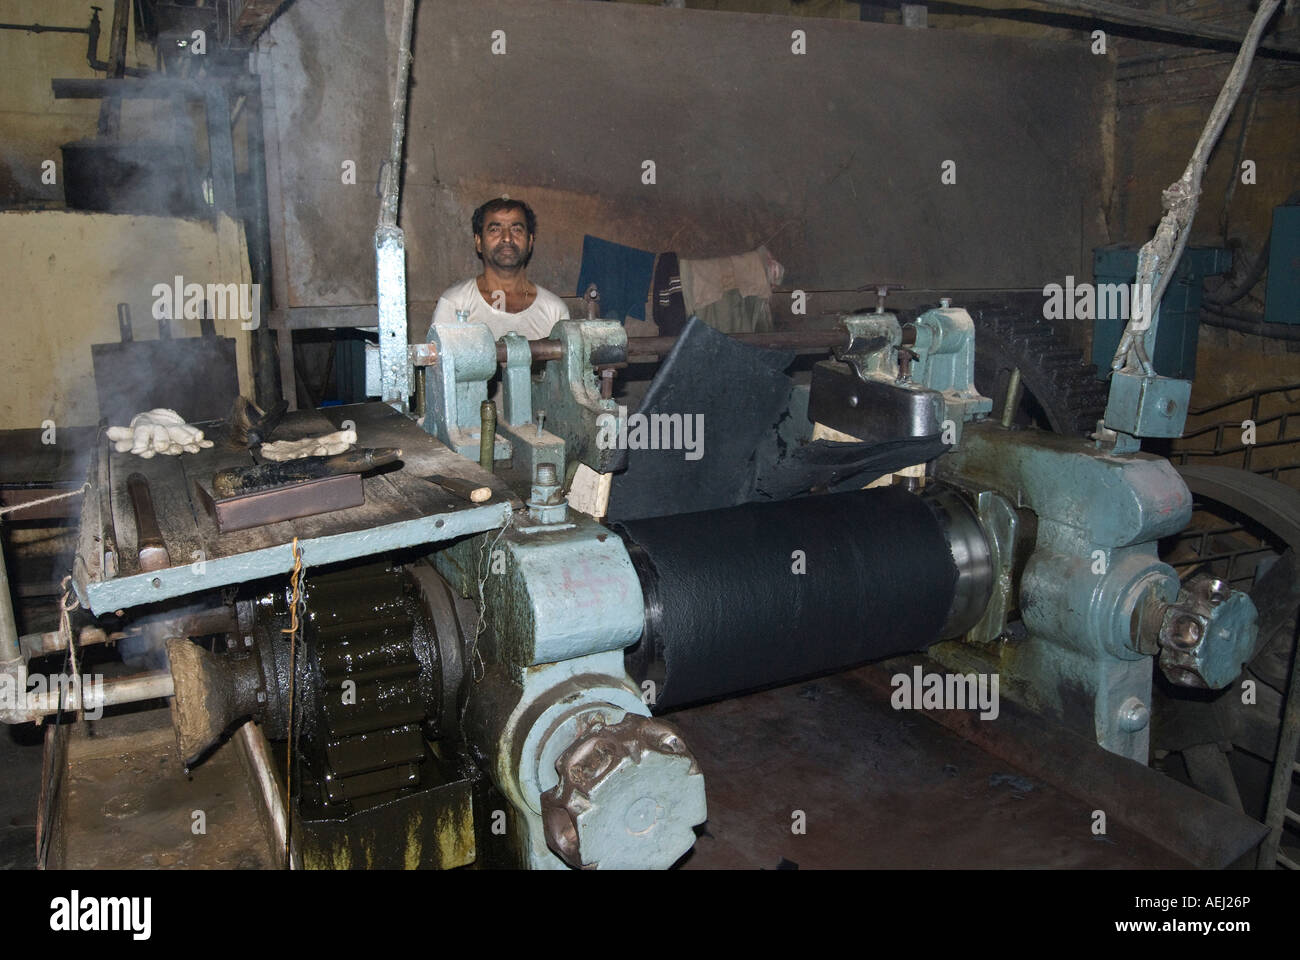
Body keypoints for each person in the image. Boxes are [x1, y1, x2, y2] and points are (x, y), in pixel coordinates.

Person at [430, 197, 569, 340]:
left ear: (530, 242)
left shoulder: (554, 311)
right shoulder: (454, 303)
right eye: (495, 230)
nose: (507, 238)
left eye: (516, 229)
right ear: (478, 242)